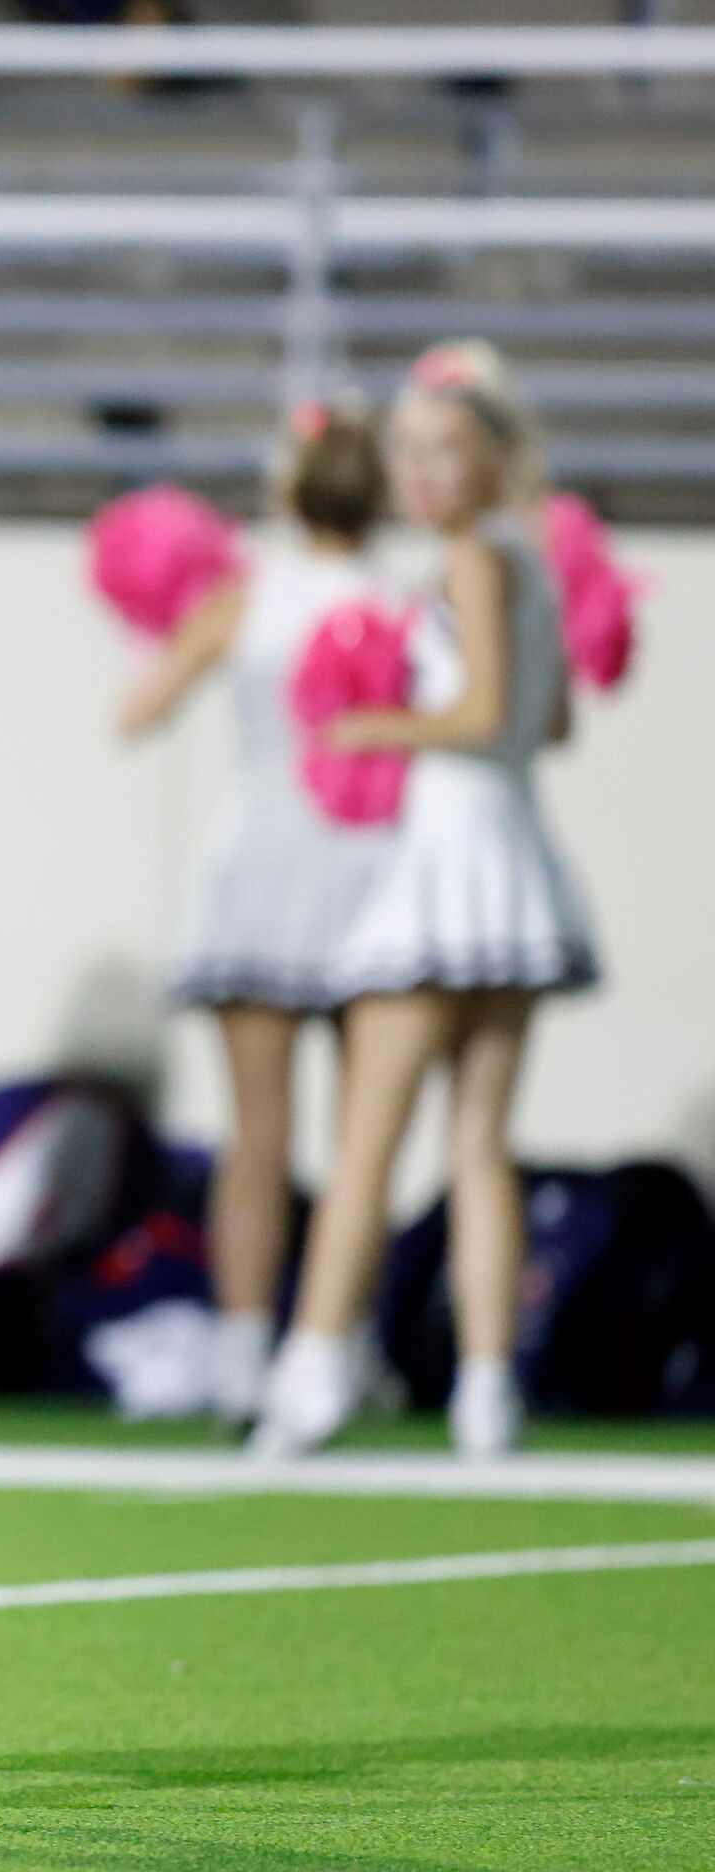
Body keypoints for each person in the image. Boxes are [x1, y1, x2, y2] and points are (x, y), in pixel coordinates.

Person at [251, 342, 599, 1460]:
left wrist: (372, 727)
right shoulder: (534, 562)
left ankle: (308, 1375)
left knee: (368, 1140)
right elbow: (551, 725)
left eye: (446, 451)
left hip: (444, 863)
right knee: (479, 1145)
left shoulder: (473, 560)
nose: (423, 474)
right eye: (408, 454)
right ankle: (487, 1393)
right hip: (513, 859)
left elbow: (490, 710)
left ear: (494, 456)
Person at [114, 399, 393, 1433]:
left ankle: (242, 1354)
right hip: (368, 869)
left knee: (257, 1136)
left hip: (263, 872)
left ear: (286, 490)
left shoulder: (246, 596)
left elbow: (137, 710)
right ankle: (342, 1345)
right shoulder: (396, 599)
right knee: (365, 1136)